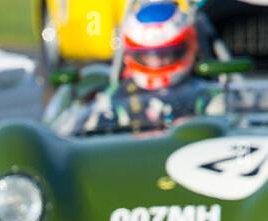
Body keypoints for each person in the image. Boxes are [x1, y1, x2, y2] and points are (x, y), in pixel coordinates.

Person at [87, 1, 209, 134]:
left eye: (165, 55)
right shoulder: (112, 99)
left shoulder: (207, 93)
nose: (156, 63)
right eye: (147, 57)